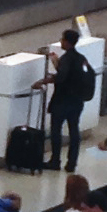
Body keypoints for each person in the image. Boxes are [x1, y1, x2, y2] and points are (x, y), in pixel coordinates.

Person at [34, 29, 95, 172]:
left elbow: (62, 77)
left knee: (56, 130)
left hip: (62, 100)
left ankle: (55, 161)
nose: (61, 41)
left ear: (67, 42)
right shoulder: (81, 58)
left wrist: (44, 81)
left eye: (62, 39)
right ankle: (72, 163)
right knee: (74, 131)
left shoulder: (67, 58)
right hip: (77, 101)